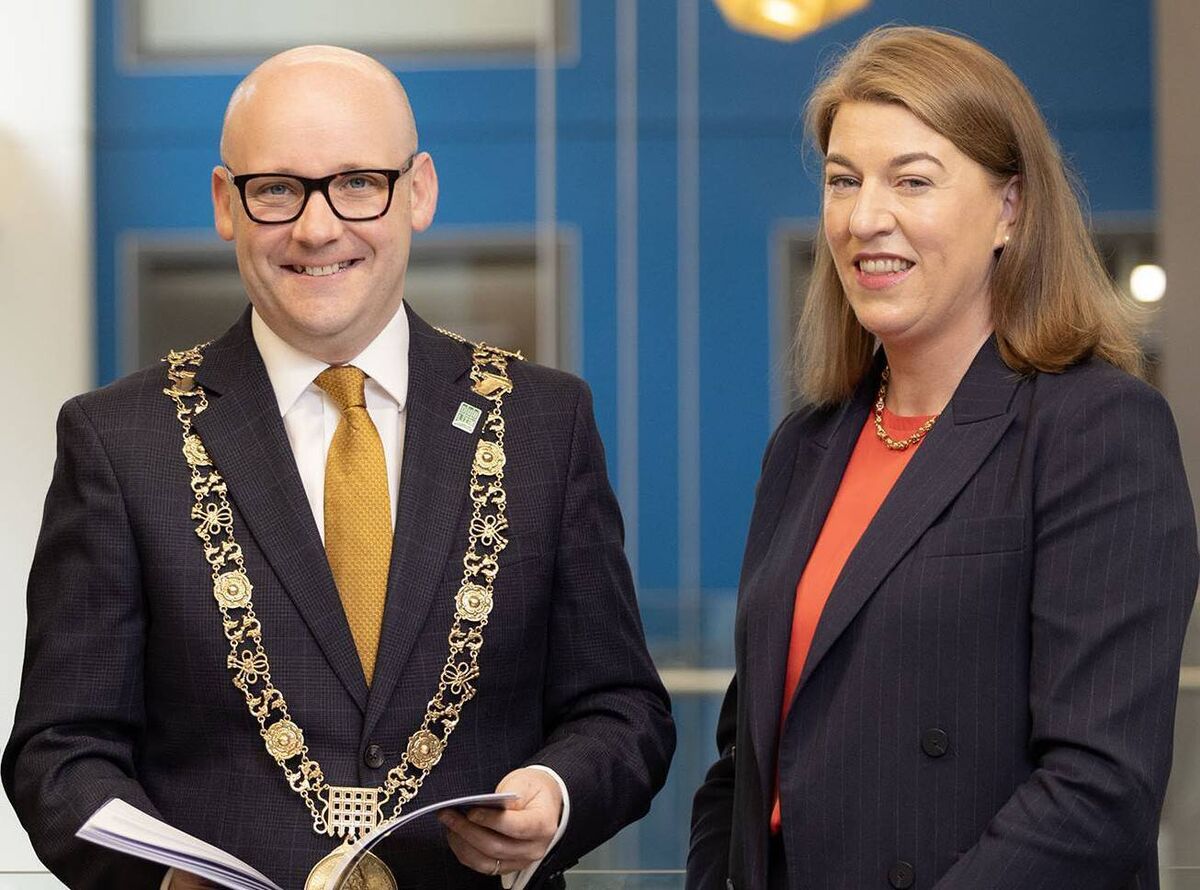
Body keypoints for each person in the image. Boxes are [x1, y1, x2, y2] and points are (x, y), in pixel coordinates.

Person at [3, 45, 674, 890]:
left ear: (419, 190)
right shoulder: (119, 440)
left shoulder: (544, 422)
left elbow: (622, 710)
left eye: (359, 182)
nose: (318, 228)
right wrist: (163, 880)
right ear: (225, 203)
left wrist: (556, 792)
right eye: (277, 189)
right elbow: (60, 752)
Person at [687, 25, 1197, 890]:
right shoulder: (806, 446)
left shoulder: (1099, 430)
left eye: (912, 181)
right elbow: (744, 760)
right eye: (842, 181)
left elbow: (1098, 793)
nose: (864, 218)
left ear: (1012, 209)